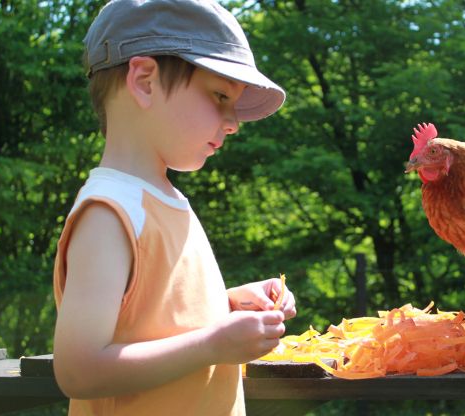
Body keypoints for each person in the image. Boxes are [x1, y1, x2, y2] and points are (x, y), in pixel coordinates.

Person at [52, 1, 296, 415]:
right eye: (220, 96)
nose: (233, 121)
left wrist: (231, 304)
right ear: (145, 81)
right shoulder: (109, 214)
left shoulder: (165, 200)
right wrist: (214, 344)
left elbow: (150, 316)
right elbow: (79, 369)